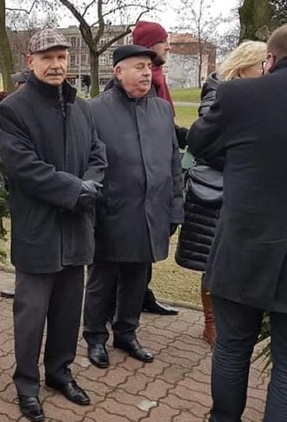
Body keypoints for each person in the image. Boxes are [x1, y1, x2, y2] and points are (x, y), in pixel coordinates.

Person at [188, 22, 287, 422]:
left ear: (270, 59)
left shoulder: (239, 95)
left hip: (244, 243)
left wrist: (241, 163)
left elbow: (200, 143)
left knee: (232, 347)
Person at [0, 28, 107, 422]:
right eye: (47, 57)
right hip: (38, 229)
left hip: (76, 227)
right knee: (31, 315)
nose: (56, 64)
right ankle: (26, 383)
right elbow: (24, 168)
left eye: (61, 57)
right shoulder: (13, 109)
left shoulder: (83, 108)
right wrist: (75, 190)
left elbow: (98, 154)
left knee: (67, 311)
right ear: (31, 62)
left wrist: (90, 185)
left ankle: (60, 372)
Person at [83, 45, 183, 369]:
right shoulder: (94, 110)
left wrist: (175, 208)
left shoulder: (162, 110)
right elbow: (87, 164)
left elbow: (173, 163)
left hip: (151, 212)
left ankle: (126, 333)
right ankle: (95, 337)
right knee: (102, 279)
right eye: (138, 66)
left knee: (137, 278)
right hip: (110, 211)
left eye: (149, 67)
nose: (146, 73)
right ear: (118, 72)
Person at [174, 40, 267, 347]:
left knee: (241, 259)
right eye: (262, 65)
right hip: (216, 188)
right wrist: (243, 161)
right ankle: (211, 322)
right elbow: (206, 141)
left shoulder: (266, 93)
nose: (267, 70)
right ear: (245, 65)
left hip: (248, 189)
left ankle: (233, 322)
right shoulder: (219, 92)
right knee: (213, 258)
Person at [129, 20, 182, 316]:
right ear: (150, 45)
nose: (168, 47)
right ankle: (123, 304)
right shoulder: (148, 84)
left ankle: (142, 293)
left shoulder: (158, 78)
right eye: (164, 41)